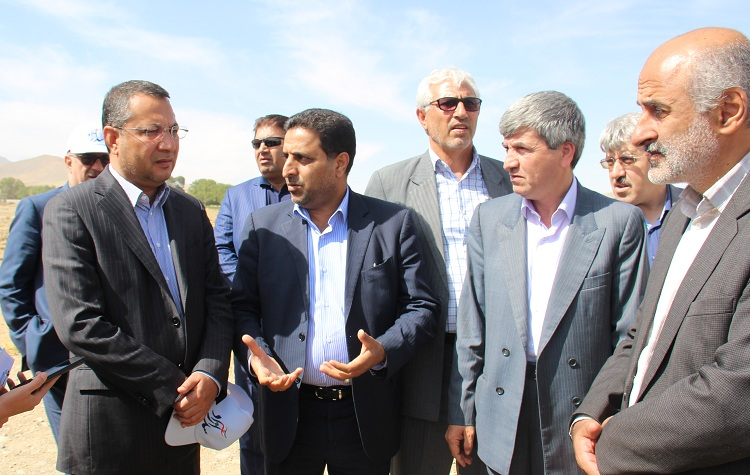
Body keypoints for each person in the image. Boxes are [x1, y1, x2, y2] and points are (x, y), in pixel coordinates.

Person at [572, 27, 750, 475]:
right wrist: (591, 412)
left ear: (729, 111)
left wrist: (613, 446)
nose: (639, 133)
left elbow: (737, 390)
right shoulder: (687, 213)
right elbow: (644, 335)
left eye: (658, 110)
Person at [447, 91, 648, 475]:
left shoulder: (617, 222)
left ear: (565, 152)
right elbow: (474, 325)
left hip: (578, 414)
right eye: (507, 148)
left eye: (522, 149)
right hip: (501, 411)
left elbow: (629, 336)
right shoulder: (489, 219)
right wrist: (464, 409)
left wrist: (607, 414)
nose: (509, 162)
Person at [233, 108, 439, 475]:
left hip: (363, 417)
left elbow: (421, 306)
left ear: (340, 163)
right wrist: (256, 357)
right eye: (287, 156)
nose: (287, 169)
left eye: (302, 158)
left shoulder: (392, 223)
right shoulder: (263, 227)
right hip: (290, 414)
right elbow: (242, 307)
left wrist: (382, 350)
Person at [42, 80, 233, 474]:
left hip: (181, 432)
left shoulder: (189, 211)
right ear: (113, 138)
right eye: (151, 131)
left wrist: (209, 373)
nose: (168, 143)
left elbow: (216, 299)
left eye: (173, 130)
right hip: (110, 429)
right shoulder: (73, 210)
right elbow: (80, 324)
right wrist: (172, 385)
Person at [365, 67, 512, 475]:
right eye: (448, 103)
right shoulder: (389, 183)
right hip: (420, 363)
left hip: (494, 361)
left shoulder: (509, 180)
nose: (461, 112)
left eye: (471, 103)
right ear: (421, 116)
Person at [0, 123, 108, 442]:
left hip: (109, 354)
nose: (98, 167)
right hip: (58, 359)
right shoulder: (37, 209)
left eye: (104, 159)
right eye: (88, 158)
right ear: (69, 161)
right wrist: (33, 340)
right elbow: (12, 284)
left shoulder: (115, 211)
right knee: (75, 448)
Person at [214, 113, 290, 475]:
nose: (263, 149)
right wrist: (247, 287)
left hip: (296, 321)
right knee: (254, 424)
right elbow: (221, 250)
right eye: (257, 143)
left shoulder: (307, 192)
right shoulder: (237, 196)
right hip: (249, 322)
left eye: (272, 142)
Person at [599, 112, 683, 266]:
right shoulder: (600, 225)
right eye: (610, 162)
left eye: (627, 160)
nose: (616, 173)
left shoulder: (695, 211)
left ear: (655, 157)